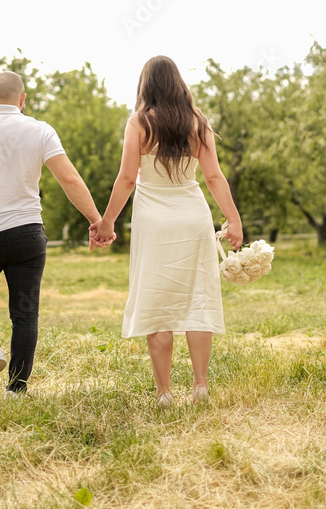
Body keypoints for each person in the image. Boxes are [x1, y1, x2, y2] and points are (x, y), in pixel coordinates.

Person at [0, 71, 114, 394]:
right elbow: (70, 180)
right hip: (28, 235)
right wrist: (97, 221)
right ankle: (16, 390)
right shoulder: (40, 130)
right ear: (23, 100)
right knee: (25, 314)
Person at [91, 55, 243, 408]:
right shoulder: (198, 123)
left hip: (153, 223)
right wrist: (232, 218)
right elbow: (214, 177)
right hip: (192, 217)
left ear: (146, 85)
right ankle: (201, 387)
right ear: (178, 83)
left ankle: (164, 393)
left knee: (158, 300)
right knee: (197, 297)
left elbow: (127, 178)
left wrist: (108, 221)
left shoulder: (139, 123)